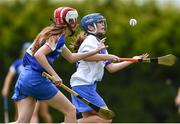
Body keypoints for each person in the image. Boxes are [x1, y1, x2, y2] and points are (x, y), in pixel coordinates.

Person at [11, 7, 106, 123]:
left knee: (22, 122)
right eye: (73, 20)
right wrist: (54, 75)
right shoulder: (57, 37)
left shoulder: (52, 34)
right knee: (71, 111)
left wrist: (95, 51)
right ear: (67, 22)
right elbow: (39, 55)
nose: (76, 23)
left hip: (24, 78)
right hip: (36, 79)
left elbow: (71, 58)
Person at [70, 13, 149, 123]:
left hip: (86, 86)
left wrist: (132, 60)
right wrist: (108, 56)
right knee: (106, 119)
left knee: (90, 120)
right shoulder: (90, 41)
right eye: (99, 22)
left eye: (103, 22)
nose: (103, 24)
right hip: (83, 86)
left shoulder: (99, 44)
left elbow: (111, 68)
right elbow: (87, 57)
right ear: (90, 27)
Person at [2, 42, 52, 123]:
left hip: (37, 88)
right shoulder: (17, 63)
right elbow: (9, 76)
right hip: (22, 90)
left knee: (44, 114)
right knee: (21, 115)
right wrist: (5, 88)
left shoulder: (38, 61)